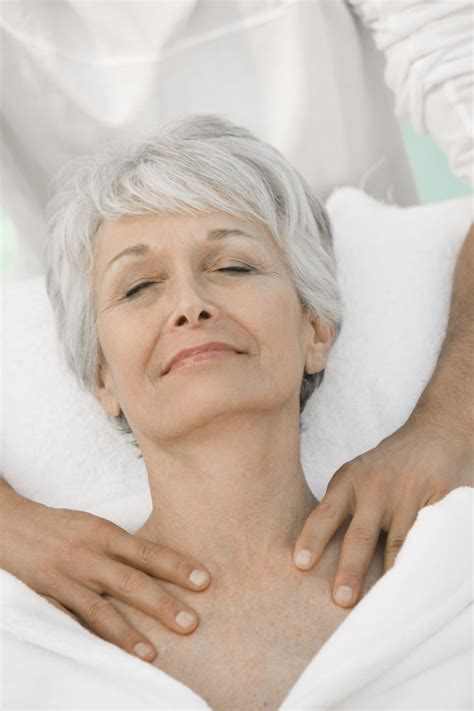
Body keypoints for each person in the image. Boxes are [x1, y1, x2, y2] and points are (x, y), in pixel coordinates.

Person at [1, 0, 473, 665]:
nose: (190, 305)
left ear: (318, 328)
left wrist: (451, 421)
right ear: (99, 374)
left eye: (232, 266)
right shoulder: (29, 648)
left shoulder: (452, 578)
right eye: (140, 286)